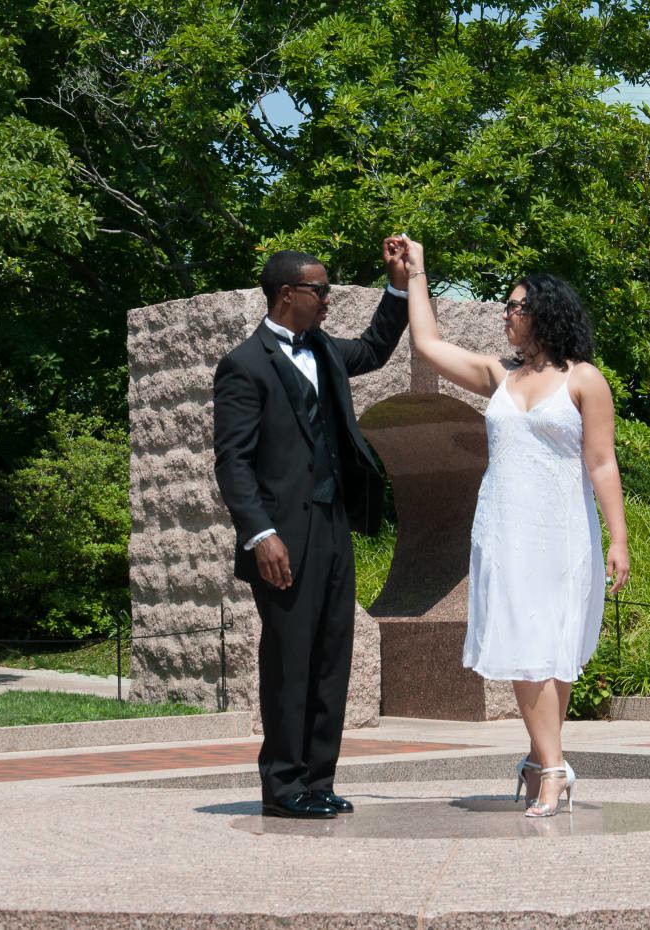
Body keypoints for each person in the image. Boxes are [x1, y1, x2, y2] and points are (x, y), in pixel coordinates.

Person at [397, 236, 630, 817]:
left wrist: (618, 537)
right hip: (504, 529)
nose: (506, 314)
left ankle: (539, 763)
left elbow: (602, 462)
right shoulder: (496, 375)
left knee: (552, 651)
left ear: (545, 314)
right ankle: (552, 769)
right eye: (505, 306)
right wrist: (417, 272)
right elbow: (427, 344)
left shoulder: (584, 380)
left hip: (562, 534)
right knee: (525, 646)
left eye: (515, 307)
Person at [213, 239, 411, 819]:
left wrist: (397, 286)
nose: (328, 300)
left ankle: (318, 780)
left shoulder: (323, 350)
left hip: (332, 527)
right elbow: (233, 461)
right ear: (285, 294)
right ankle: (283, 785)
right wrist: (260, 534)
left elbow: (375, 348)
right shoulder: (243, 366)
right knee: (289, 660)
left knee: (331, 656)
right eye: (319, 290)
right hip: (281, 539)